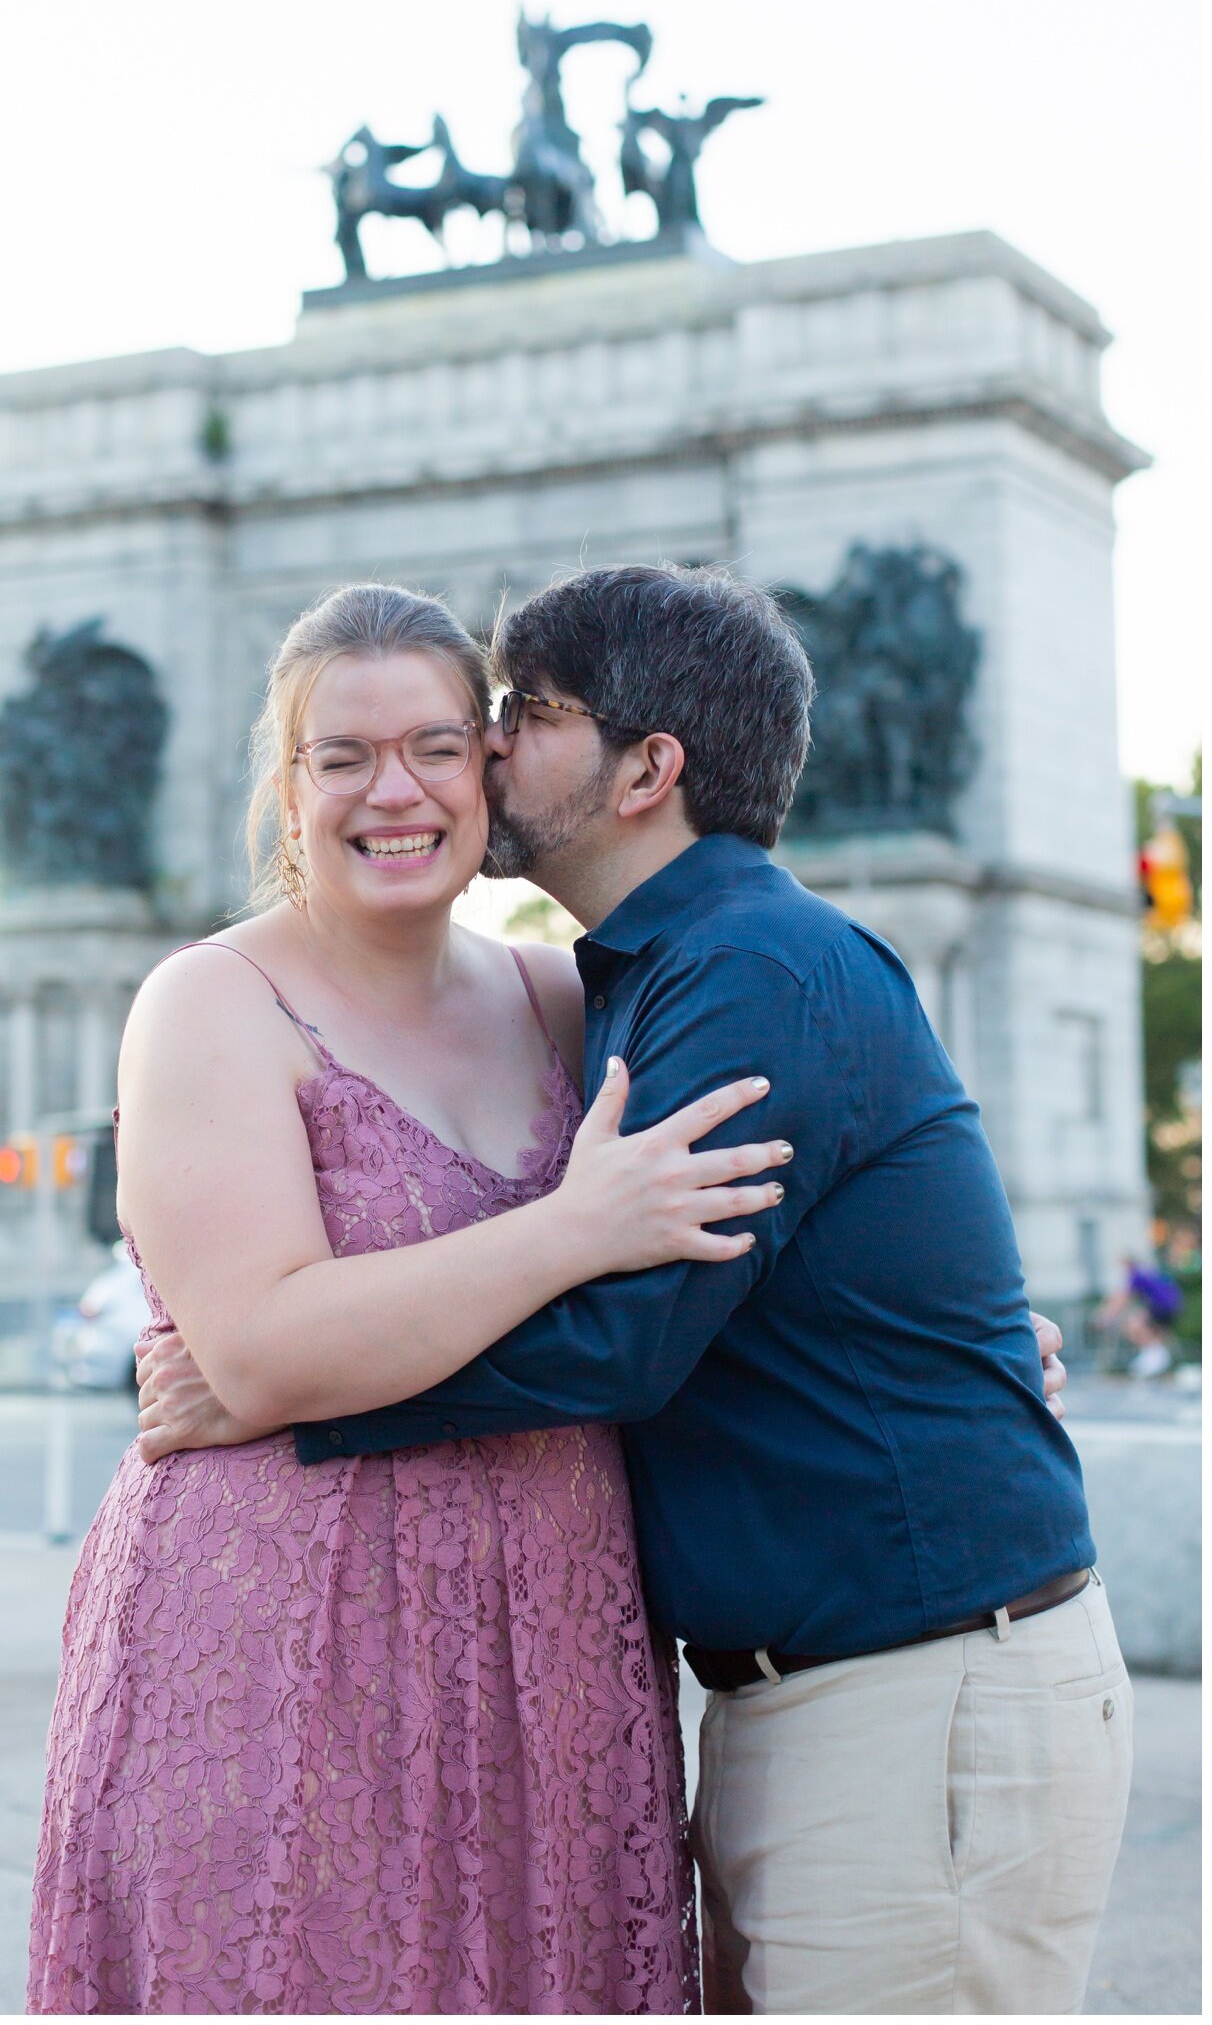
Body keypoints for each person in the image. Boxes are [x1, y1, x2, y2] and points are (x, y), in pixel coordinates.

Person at [142, 564, 1126, 2016]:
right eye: (345, 752)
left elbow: (623, 1341)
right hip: (801, 1697)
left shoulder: (746, 967)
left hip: (913, 1697)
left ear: (646, 769)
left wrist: (277, 1386)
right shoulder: (634, 980)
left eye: (517, 719)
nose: (481, 753)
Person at [27, 583, 796, 2016]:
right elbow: (258, 1352)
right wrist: (567, 1232)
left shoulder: (570, 1001)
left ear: (492, 771)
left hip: (553, 1651)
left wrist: (960, 1344)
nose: (396, 792)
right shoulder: (208, 1004)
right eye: (343, 757)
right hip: (279, 1636)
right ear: (290, 784)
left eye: (437, 747)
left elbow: (736, 1228)